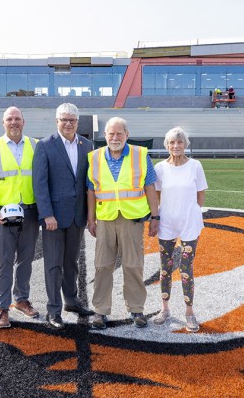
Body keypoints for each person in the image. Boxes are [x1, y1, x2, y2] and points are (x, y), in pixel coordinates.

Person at [87, 117, 159, 329]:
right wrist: (91, 219)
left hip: (132, 220)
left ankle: (136, 309)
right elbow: (90, 190)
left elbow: (150, 188)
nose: (115, 137)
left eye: (120, 133)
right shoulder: (94, 157)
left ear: (127, 135)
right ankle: (100, 311)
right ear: (105, 136)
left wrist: (155, 216)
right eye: (111, 134)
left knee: (133, 265)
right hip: (106, 220)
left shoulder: (140, 155)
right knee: (102, 266)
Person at [33, 103, 94, 330]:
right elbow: (40, 184)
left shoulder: (86, 145)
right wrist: (47, 214)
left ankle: (71, 300)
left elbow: (89, 183)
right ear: (57, 121)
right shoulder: (45, 145)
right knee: (53, 265)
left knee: (72, 262)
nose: (68, 123)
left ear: (77, 122)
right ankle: (54, 309)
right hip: (54, 219)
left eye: (72, 120)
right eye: (64, 119)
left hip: (77, 216)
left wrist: (90, 214)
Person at [0, 106, 40, 328]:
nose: (13, 122)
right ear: (3, 123)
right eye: (9, 119)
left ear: (24, 121)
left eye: (17, 118)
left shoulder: (35, 145)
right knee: (5, 259)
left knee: (26, 258)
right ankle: (2, 307)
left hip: (31, 210)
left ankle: (22, 300)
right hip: (4, 213)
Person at [152, 127, 208, 332]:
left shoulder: (195, 166)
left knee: (186, 268)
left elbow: (200, 194)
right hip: (167, 222)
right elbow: (156, 196)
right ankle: (165, 309)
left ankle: (189, 313)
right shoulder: (160, 168)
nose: (176, 146)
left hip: (189, 224)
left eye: (180, 142)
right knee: (165, 268)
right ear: (166, 145)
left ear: (185, 144)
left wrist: (192, 211)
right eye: (172, 143)